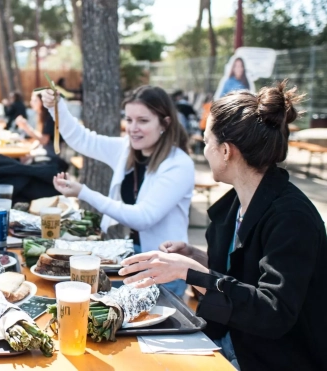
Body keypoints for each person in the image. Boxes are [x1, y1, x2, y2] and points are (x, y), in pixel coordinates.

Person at [119, 81, 327, 371]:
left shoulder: (292, 217)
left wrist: (192, 273)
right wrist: (196, 258)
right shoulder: (236, 203)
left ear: (226, 151)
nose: (204, 151)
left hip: (271, 358)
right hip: (229, 341)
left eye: (206, 142)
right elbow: (245, 277)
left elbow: (273, 311)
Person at [41, 86, 193, 297]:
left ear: (165, 123)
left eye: (143, 120)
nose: (133, 128)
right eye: (129, 120)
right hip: (135, 260)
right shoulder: (126, 149)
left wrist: (84, 192)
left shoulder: (179, 164)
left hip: (166, 271)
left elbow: (143, 218)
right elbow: (83, 140)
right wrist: (56, 106)